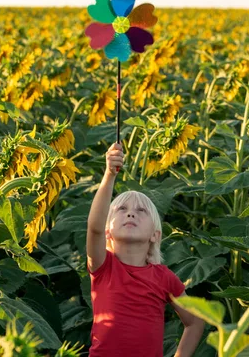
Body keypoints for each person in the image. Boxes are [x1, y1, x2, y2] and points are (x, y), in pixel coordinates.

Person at [86, 142, 205, 357]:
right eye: (121, 209)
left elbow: (195, 321)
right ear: (108, 232)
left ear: (155, 235)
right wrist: (109, 175)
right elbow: (93, 228)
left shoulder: (164, 277)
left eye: (141, 211)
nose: (131, 214)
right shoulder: (104, 266)